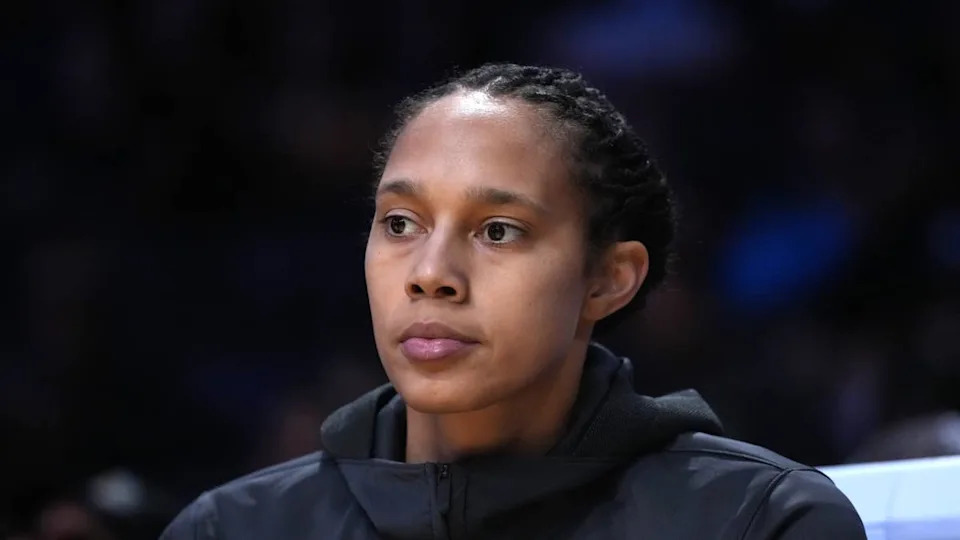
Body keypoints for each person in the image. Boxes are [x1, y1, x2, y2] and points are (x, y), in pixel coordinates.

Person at [160, 63, 866, 539]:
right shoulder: (232, 528)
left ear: (609, 278)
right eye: (400, 224)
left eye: (498, 230)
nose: (430, 274)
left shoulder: (757, 521)